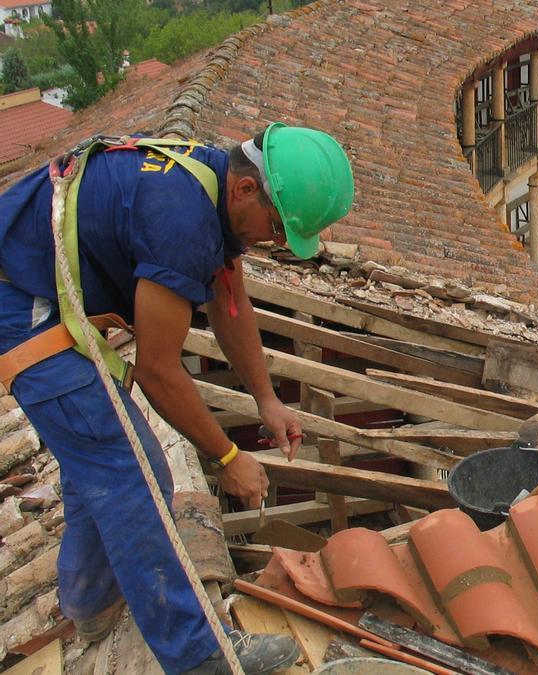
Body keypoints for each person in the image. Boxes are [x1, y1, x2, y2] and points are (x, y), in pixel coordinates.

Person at [0, 123, 354, 674]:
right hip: (21, 304)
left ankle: (89, 602)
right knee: (134, 471)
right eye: (278, 228)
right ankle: (199, 657)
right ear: (245, 191)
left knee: (94, 456)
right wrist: (228, 457)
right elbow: (160, 372)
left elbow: (228, 295)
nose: (276, 241)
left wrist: (266, 399)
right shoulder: (180, 219)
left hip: (41, 286)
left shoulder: (211, 181)